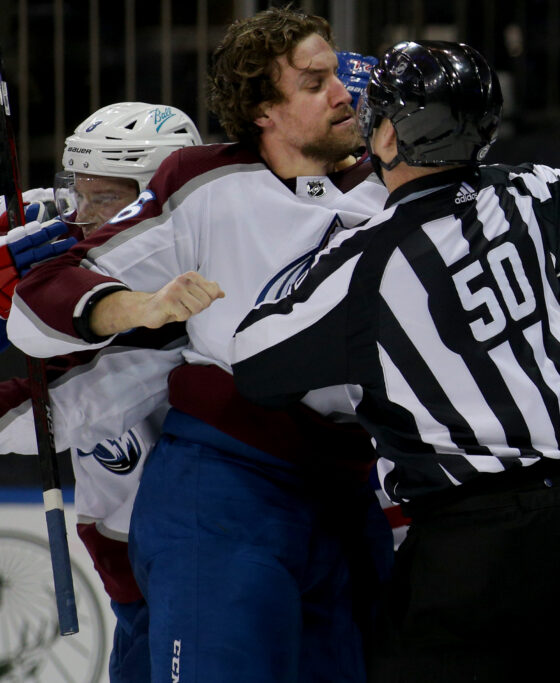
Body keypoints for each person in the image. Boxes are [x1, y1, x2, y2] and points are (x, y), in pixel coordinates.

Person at [228, 40, 560, 682]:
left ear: (391, 136)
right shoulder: (525, 198)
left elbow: (254, 361)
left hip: (472, 542)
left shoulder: (364, 264)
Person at [6, 8, 395, 682]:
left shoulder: (382, 197)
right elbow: (46, 315)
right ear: (263, 109)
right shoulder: (202, 187)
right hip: (221, 503)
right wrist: (132, 304)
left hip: (340, 500)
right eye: (315, 81)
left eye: (337, 76)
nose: (342, 94)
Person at [0, 100, 200, 683]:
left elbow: (27, 416)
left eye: (106, 199)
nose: (83, 216)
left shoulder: (174, 322)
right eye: (77, 191)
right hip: (135, 576)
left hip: (179, 576)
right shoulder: (67, 232)